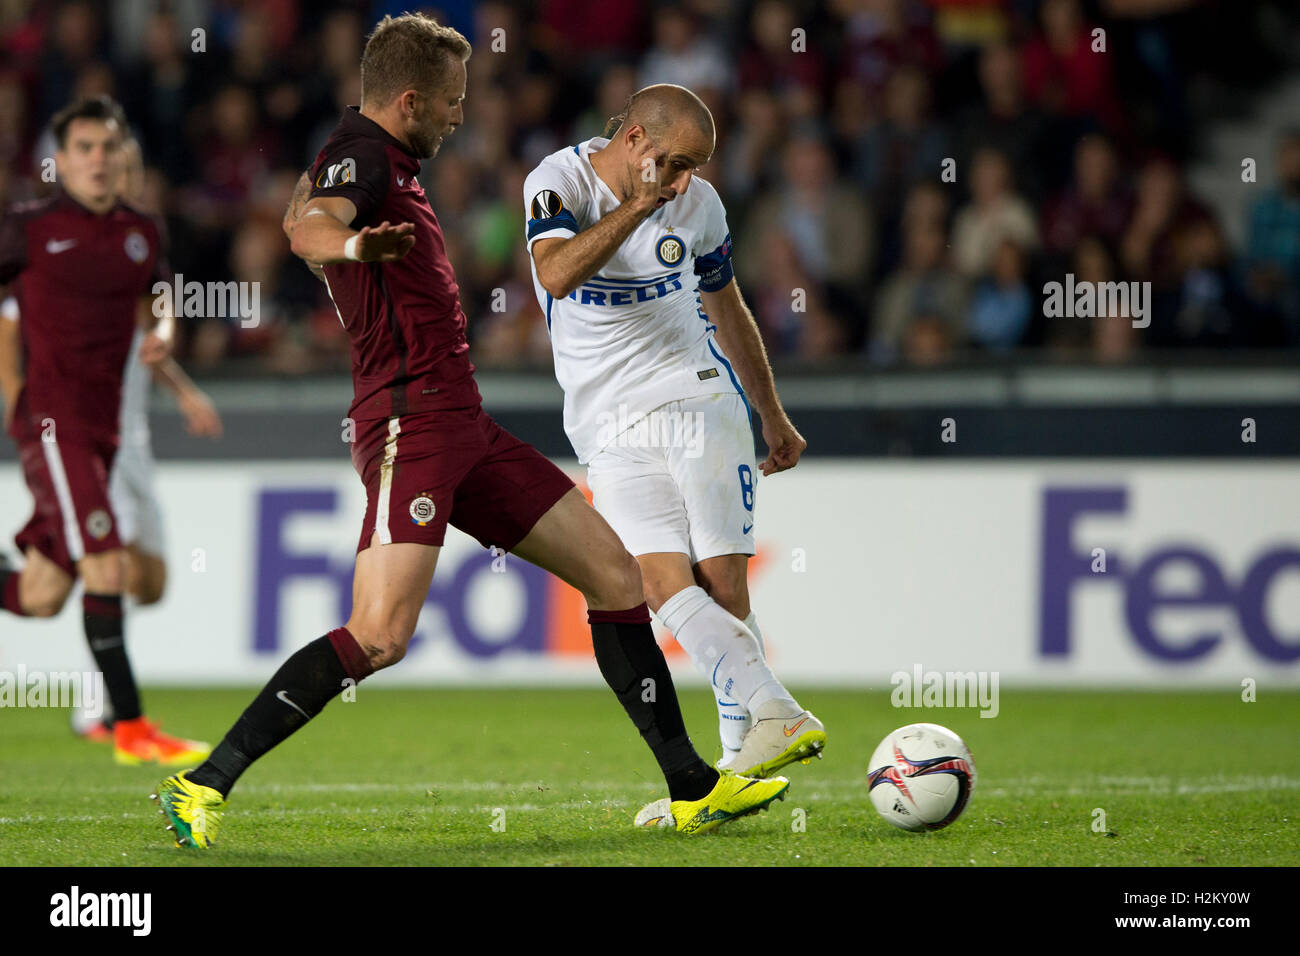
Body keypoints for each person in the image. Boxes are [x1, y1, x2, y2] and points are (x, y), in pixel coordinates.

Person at [151, 13, 788, 849]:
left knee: (617, 577)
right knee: (380, 634)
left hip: (463, 422)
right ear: (410, 99)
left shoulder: (394, 162)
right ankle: (201, 783)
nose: (460, 116)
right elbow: (304, 224)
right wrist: (347, 244)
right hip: (407, 425)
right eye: (451, 101)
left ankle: (692, 786)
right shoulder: (362, 157)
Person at [522, 84, 826, 800]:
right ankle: (775, 716)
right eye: (676, 162)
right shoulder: (557, 181)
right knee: (658, 586)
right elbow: (556, 274)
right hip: (607, 425)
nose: (685, 181)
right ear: (633, 140)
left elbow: (727, 305)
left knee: (722, 585)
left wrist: (772, 414)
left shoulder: (700, 205)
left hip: (696, 396)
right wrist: (638, 208)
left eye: (695, 167)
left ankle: (744, 756)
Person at [0, 95, 209, 766]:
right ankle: (130, 728)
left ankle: (122, 721)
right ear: (58, 163)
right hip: (55, 425)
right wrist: (15, 404)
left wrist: (168, 333)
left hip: (111, 431)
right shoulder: (27, 228)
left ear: (122, 158)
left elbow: (161, 300)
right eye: (83, 148)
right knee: (109, 562)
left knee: (41, 594)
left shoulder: (142, 231)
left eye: (107, 148)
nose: (96, 159)